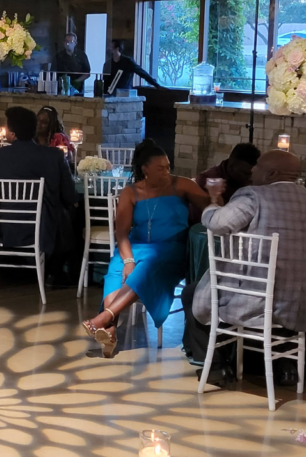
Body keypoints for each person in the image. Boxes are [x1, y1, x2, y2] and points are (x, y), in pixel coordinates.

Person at [81, 139, 210, 358]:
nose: (166, 172)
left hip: (170, 249)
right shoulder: (131, 193)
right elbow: (121, 233)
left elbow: (211, 209)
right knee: (115, 272)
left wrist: (214, 196)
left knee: (143, 272)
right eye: (161, 168)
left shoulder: (182, 185)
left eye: (168, 167)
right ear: (145, 169)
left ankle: (104, 318)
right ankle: (110, 330)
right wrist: (128, 260)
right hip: (135, 247)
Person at [194, 150, 306, 334]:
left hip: (257, 303)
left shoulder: (253, 196)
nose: (252, 170)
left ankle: (214, 359)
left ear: (272, 174)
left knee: (193, 294)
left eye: (257, 166)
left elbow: (217, 224)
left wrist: (214, 200)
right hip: (300, 307)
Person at [0, 107, 78, 283]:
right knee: (69, 215)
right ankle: (60, 272)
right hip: (44, 230)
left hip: (4, 229)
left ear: (12, 132)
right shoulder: (55, 156)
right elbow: (70, 196)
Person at [196, 143, 260, 205]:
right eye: (246, 174)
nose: (250, 179)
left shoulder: (251, 181)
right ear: (231, 166)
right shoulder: (207, 181)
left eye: (253, 174)